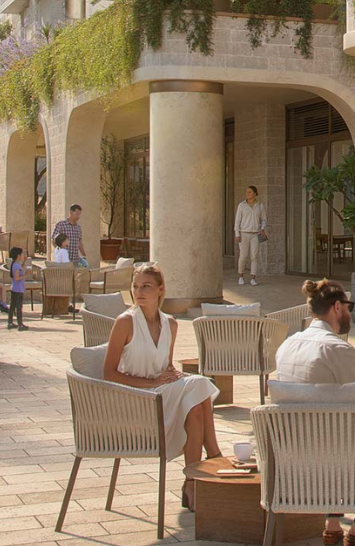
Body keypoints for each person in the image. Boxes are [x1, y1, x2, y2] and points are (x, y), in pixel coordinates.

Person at [274, 278, 355, 546]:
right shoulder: (338, 348)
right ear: (337, 307)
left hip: (291, 456)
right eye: (348, 307)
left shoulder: (286, 346)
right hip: (337, 456)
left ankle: (332, 523)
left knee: (330, 429)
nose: (350, 313)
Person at [100, 263, 222, 510]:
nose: (139, 292)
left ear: (160, 289)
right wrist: (151, 382)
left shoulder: (171, 324)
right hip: (136, 398)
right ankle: (213, 458)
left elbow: (165, 367)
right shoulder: (125, 322)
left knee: (197, 401)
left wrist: (172, 374)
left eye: (146, 286)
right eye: (135, 286)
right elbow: (108, 373)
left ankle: (192, 481)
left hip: (160, 394)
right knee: (198, 386)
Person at [235, 185, 266, 286]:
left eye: (249, 192)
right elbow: (237, 221)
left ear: (255, 193)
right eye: (246, 192)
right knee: (243, 256)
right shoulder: (241, 205)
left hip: (255, 234)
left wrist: (262, 228)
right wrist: (237, 234)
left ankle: (253, 278)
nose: (247, 194)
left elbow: (263, 219)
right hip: (243, 233)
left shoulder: (260, 205)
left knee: (254, 256)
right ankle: (241, 277)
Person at [6, 246, 30, 332]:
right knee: (18, 307)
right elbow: (16, 278)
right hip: (18, 289)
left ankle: (10, 322)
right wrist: (25, 275)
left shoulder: (15, 264)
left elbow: (20, 268)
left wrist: (24, 262)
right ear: (18, 255)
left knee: (12, 306)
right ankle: (20, 324)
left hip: (15, 288)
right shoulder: (16, 266)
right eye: (21, 254)